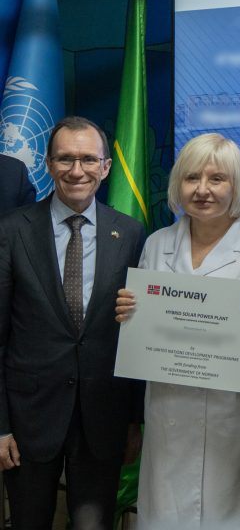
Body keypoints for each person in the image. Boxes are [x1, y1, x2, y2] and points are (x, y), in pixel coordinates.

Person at [115, 132, 240, 530]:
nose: (202, 190)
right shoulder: (156, 244)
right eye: (191, 178)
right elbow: (143, 328)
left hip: (238, 414)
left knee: (235, 515)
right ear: (177, 184)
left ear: (236, 185)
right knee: (167, 516)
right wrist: (130, 314)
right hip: (170, 410)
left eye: (217, 179)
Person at [0, 116, 146, 529]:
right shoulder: (11, 231)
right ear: (48, 164)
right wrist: (0, 426)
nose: (76, 170)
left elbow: (136, 336)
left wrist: (133, 420)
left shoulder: (131, 234)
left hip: (102, 420)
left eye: (88, 159)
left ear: (106, 166)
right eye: (65, 159)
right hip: (28, 420)